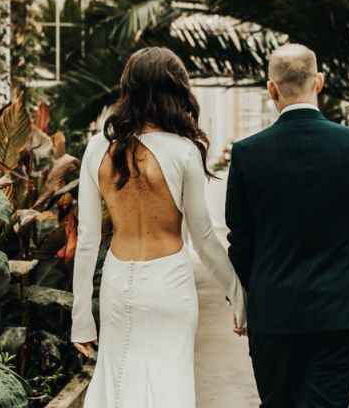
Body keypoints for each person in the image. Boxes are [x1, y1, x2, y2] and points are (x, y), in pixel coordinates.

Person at [71, 46, 247, 408]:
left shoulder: (96, 149)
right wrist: (239, 295)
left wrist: (80, 318)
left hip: (119, 282)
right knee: (169, 384)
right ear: (176, 90)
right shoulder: (183, 150)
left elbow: (88, 240)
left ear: (128, 89)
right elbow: (204, 240)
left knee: (118, 383)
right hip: (171, 284)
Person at [226, 43, 349, 408]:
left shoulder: (248, 153)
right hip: (341, 311)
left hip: (272, 313)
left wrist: (246, 300)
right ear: (320, 82)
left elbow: (241, 241)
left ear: (271, 89)